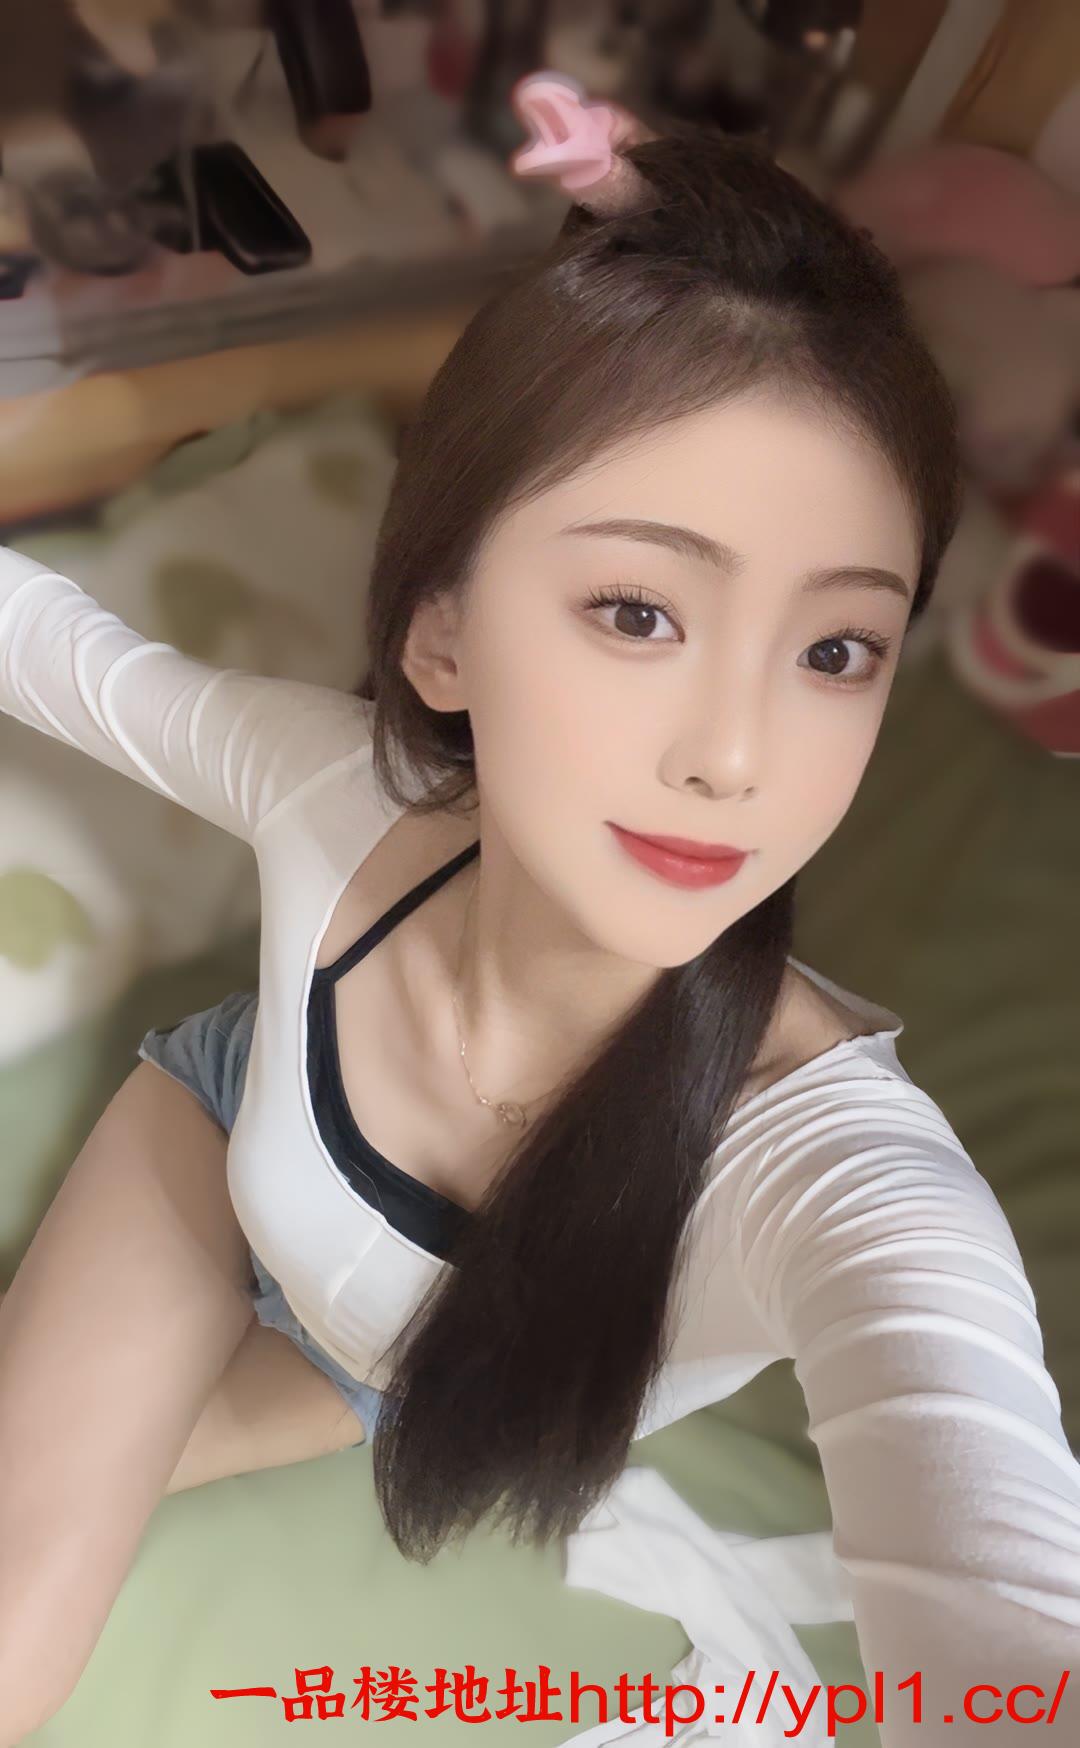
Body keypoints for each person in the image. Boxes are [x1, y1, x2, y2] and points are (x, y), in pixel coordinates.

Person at [1, 77, 1078, 1748]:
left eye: (836, 650)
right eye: (639, 612)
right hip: (221, 1137)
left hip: (404, 1373)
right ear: (442, 635)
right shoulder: (333, 792)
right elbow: (66, 657)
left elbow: (996, 1586)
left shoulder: (829, 1171)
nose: (735, 759)